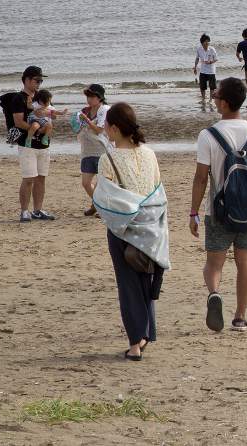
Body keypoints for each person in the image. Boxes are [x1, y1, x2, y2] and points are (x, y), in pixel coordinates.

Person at [190, 77, 247, 333]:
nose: (213, 98)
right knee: (244, 259)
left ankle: (214, 293)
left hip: (218, 211)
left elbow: (201, 178)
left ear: (224, 103)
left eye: (216, 95)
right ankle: (240, 317)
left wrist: (193, 212)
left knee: (214, 263)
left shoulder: (208, 135)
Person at [97, 103, 169, 361]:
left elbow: (105, 197)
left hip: (123, 228)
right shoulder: (149, 154)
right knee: (145, 279)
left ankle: (136, 342)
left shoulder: (108, 159)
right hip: (150, 225)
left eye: (107, 125)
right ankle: (146, 333)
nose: (105, 129)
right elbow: (157, 189)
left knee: (128, 285)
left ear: (115, 128)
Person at [3, 66, 56, 222]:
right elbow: (18, 122)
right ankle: (24, 211)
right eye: (36, 80)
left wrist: (48, 125)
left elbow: (49, 113)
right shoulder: (18, 99)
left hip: (44, 144)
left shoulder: (42, 96)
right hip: (27, 145)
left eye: (41, 80)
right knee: (28, 178)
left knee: (41, 177)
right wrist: (38, 130)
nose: (39, 83)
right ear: (26, 80)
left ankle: (38, 210)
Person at [75, 83, 111, 217]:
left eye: (92, 96)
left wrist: (87, 121)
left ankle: (100, 207)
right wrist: (77, 122)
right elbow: (78, 127)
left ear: (99, 97)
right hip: (87, 150)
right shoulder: (85, 110)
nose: (89, 99)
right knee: (85, 183)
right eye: (87, 96)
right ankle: (97, 204)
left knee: (101, 183)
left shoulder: (105, 110)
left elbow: (99, 130)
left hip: (102, 150)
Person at [193, 34, 218, 109]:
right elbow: (197, 58)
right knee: (202, 86)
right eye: (205, 42)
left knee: (212, 86)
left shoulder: (212, 49)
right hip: (203, 70)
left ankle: (210, 100)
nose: (207, 43)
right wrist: (195, 67)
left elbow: (216, 59)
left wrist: (211, 62)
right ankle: (203, 99)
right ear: (202, 42)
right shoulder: (199, 49)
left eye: (208, 41)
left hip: (211, 71)